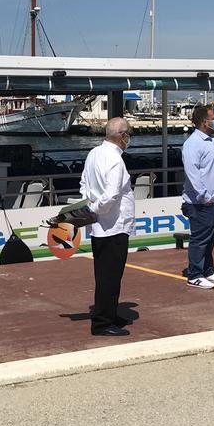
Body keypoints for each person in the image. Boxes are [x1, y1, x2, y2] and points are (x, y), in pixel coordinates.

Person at [78, 117, 136, 336]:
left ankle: (108, 313)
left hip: (101, 226)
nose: (128, 138)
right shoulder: (115, 160)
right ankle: (102, 322)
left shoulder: (94, 154)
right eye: (128, 134)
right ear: (122, 136)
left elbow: (84, 183)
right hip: (114, 225)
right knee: (110, 276)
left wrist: (91, 206)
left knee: (106, 273)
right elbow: (111, 195)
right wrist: (98, 209)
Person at [180, 104, 214, 289]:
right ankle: (195, 274)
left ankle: (207, 269)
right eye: (213, 118)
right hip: (201, 202)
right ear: (204, 122)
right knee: (199, 239)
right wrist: (204, 196)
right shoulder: (193, 144)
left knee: (210, 238)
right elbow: (192, 173)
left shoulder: (211, 142)